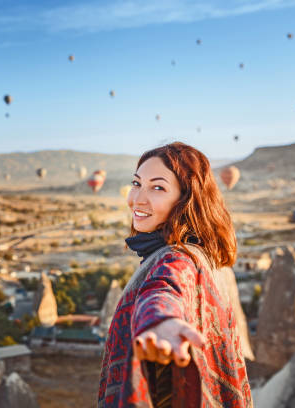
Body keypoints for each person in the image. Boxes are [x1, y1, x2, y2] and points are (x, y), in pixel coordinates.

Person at [98, 142, 253, 407]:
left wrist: (160, 321)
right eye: (137, 184)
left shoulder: (176, 257)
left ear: (186, 199)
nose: (137, 198)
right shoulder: (202, 255)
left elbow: (166, 286)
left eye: (158, 187)